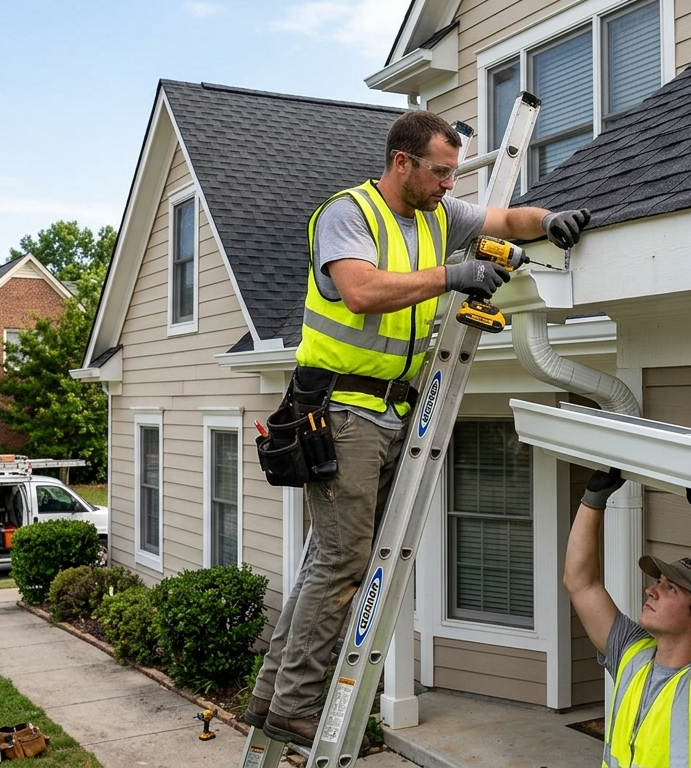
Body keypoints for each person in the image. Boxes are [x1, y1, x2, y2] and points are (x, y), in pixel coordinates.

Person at [247, 109, 592, 747]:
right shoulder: (347, 214)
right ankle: (295, 705)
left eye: (454, 174)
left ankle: (273, 693)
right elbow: (360, 291)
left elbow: (506, 220)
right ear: (401, 162)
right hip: (341, 409)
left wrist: (547, 221)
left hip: (392, 409)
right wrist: (453, 275)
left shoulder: (441, 215)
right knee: (345, 558)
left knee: (331, 558)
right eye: (439, 172)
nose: (448, 186)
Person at [564, 469, 691, 768]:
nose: (650, 590)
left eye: (669, 588)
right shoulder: (632, 654)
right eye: (658, 582)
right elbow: (580, 584)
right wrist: (593, 498)